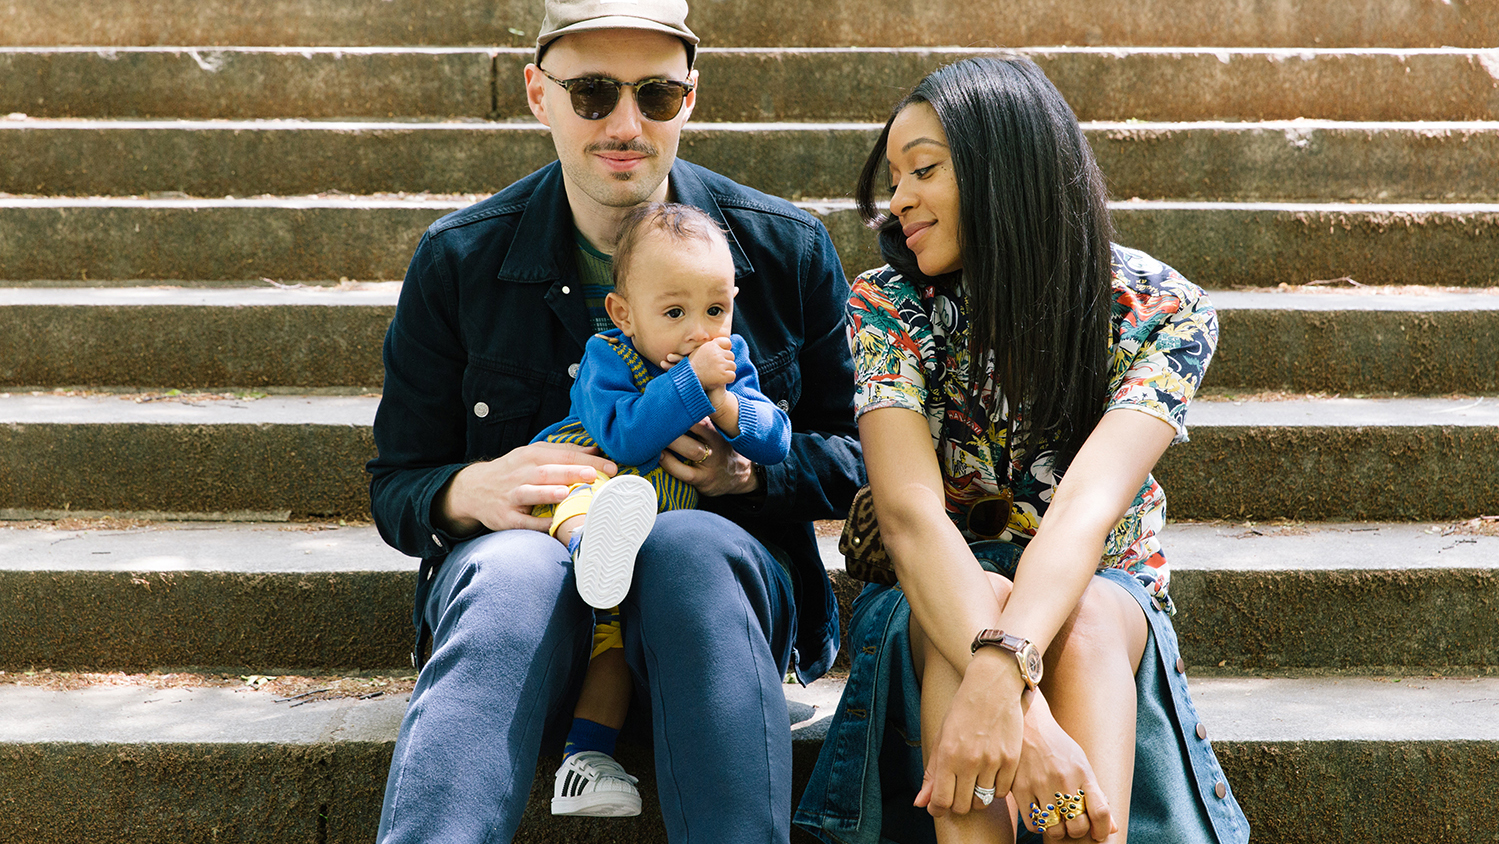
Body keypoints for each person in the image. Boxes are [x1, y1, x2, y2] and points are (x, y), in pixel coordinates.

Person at [365, 0, 863, 839]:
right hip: (532, 612)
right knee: (514, 569)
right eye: (592, 94)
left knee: (688, 546)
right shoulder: (459, 261)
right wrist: (466, 490)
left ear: (691, 98)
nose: (625, 124)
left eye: (657, 96)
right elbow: (397, 487)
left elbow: (860, 457)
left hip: (717, 604)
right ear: (538, 93)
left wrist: (750, 472)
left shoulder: (786, 250)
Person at [793, 57, 1250, 844]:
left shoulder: (1163, 311)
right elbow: (908, 514)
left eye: (923, 170)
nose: (896, 200)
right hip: (930, 588)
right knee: (966, 621)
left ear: (1005, 166)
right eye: (894, 176)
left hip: (1099, 586)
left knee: (1093, 620)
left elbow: (1084, 509)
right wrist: (1021, 708)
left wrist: (1005, 670)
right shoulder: (886, 303)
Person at [530, 201, 793, 817]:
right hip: (594, 483)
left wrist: (729, 408)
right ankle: (588, 547)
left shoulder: (730, 361)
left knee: (615, 648)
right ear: (623, 313)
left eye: (716, 309)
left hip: (649, 547)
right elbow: (624, 435)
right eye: (674, 312)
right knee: (583, 496)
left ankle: (587, 759)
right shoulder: (608, 357)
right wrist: (689, 385)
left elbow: (776, 439)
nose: (700, 331)